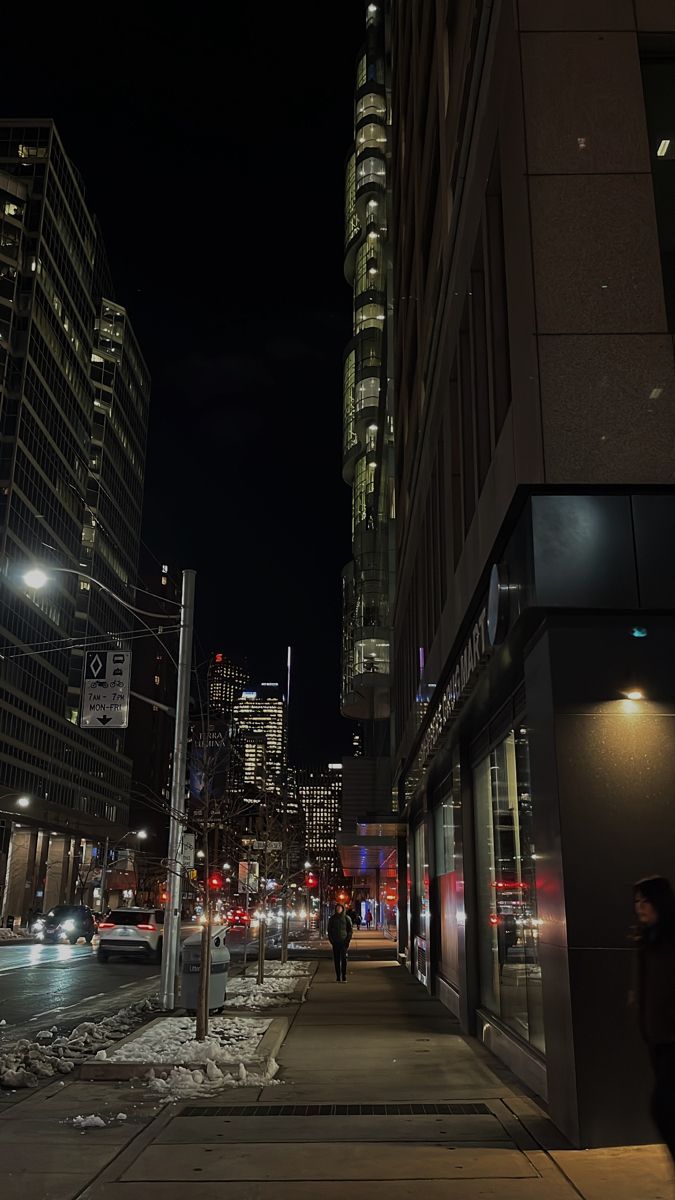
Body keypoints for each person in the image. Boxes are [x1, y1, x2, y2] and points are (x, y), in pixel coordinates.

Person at [633, 875, 675, 1163]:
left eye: (644, 901)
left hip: (672, 1037)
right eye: (636, 902)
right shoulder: (649, 938)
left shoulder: (668, 939)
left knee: (663, 1107)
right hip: (657, 1037)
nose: (639, 907)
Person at [327, 902, 352, 983]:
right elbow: (329, 930)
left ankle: (344, 976)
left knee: (344, 959)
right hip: (335, 942)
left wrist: (347, 940)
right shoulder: (332, 919)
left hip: (344, 942)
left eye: (340, 908)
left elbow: (350, 930)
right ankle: (338, 976)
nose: (338, 909)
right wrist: (332, 941)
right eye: (337, 908)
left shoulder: (346, 918)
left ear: (342, 909)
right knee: (336, 960)